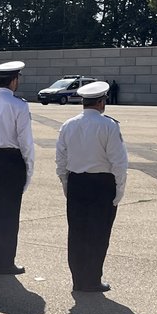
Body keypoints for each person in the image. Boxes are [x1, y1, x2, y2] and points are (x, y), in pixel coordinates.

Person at [56, 81, 128, 293]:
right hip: (102, 185)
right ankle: (92, 279)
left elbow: (61, 159)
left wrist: (66, 184)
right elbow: (119, 163)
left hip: (77, 182)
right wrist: (119, 190)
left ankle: (78, 279)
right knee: (98, 233)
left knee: (77, 233)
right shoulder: (109, 126)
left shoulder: (68, 125)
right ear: (101, 101)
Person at [0, 61, 35, 275]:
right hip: (12, 161)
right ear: (14, 80)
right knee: (10, 215)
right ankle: (6, 261)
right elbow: (26, 142)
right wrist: (28, 170)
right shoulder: (20, 105)